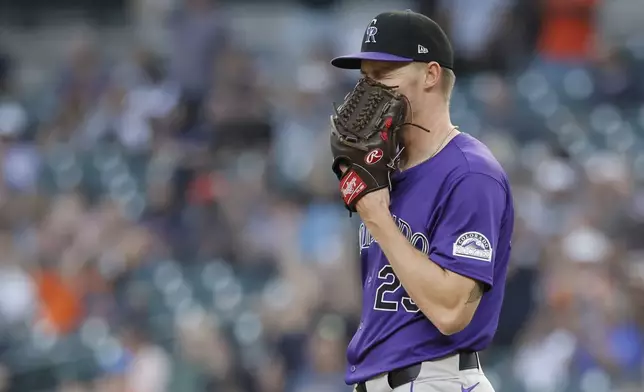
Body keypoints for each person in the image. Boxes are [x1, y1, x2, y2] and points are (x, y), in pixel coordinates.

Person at [329, 10, 514, 392]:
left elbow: (450, 312)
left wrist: (378, 218)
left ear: (430, 74)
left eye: (384, 75)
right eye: (365, 77)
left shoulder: (470, 174)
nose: (369, 90)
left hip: (437, 380)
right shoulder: (385, 171)